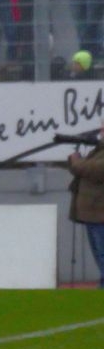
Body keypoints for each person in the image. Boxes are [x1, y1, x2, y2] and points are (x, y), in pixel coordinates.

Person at [67, 123, 104, 289]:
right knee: (99, 255)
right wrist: (76, 162)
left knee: (102, 255)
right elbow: (83, 169)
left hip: (99, 214)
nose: (101, 131)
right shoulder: (99, 150)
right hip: (94, 214)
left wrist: (76, 161)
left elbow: (95, 170)